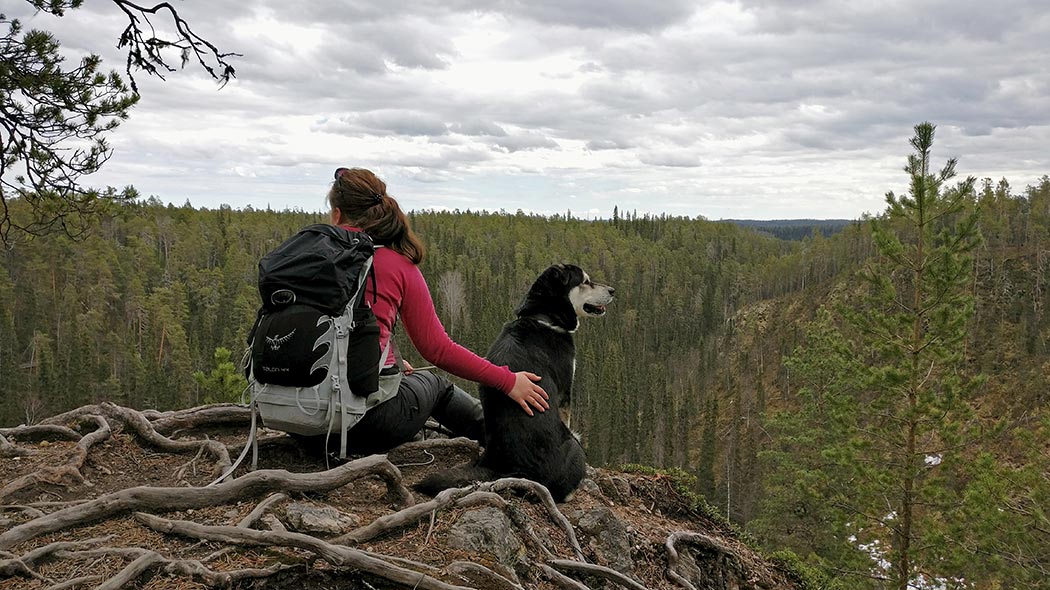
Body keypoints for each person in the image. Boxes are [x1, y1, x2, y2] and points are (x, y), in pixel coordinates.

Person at [320, 167, 548, 455]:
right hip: (362, 425)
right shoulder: (395, 264)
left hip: (298, 418)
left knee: (403, 378)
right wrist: (508, 380)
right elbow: (438, 350)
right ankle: (510, 444)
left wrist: (382, 362)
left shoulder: (307, 259)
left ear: (337, 215)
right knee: (436, 385)